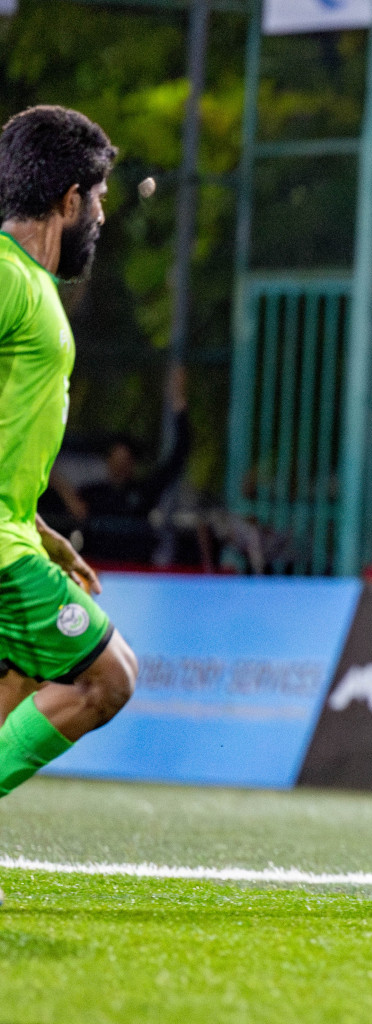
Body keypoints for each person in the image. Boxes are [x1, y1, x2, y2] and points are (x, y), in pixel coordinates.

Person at [0, 107, 141, 908]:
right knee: (107, 678)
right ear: (67, 198)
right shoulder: (9, 278)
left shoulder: (30, 287)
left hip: (16, 535)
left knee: (23, 681)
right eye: (99, 196)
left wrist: (46, 533)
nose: (102, 213)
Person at [73, 366, 192, 565]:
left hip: (137, 572)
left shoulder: (143, 492)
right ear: (108, 461)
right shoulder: (91, 493)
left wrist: (179, 402)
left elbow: (177, 457)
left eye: (125, 460)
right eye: (116, 459)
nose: (120, 466)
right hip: (95, 570)